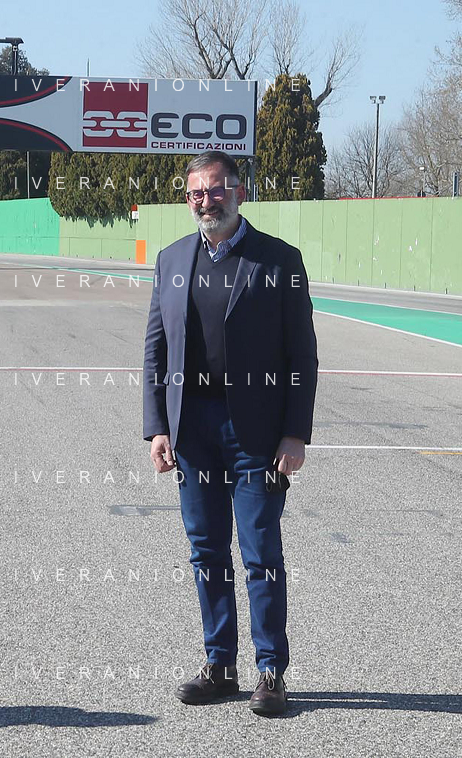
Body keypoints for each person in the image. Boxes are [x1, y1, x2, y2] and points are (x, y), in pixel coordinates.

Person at [142, 151, 318, 716]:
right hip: (192, 432)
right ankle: (220, 665)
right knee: (206, 551)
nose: (207, 201)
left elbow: (302, 354)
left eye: (216, 190)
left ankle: (271, 671)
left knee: (260, 551)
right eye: (197, 193)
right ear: (187, 198)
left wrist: (294, 433)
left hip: (257, 437)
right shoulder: (172, 259)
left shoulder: (279, 260)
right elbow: (156, 349)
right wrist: (157, 428)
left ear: (238, 192)